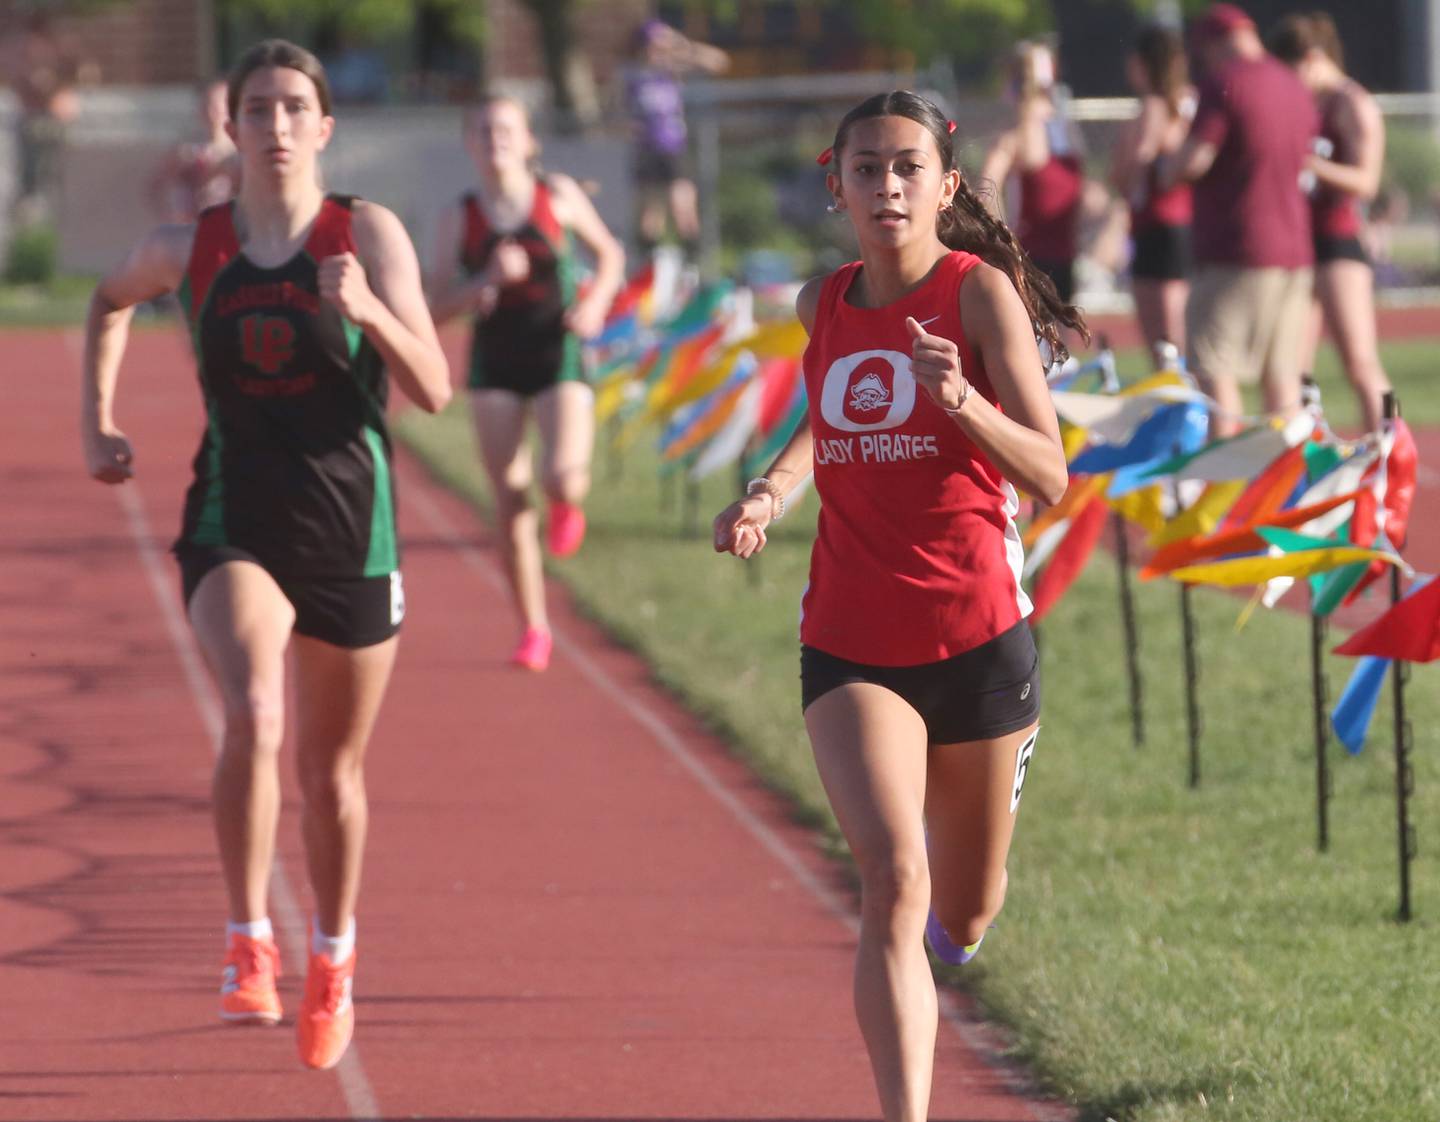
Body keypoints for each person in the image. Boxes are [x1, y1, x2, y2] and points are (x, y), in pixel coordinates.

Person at [79, 39, 451, 1071]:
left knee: (332, 775)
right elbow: (108, 299)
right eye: (258, 108)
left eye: (295, 107)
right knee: (255, 708)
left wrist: (368, 309)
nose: (276, 125)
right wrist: (95, 422)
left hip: (350, 531)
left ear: (324, 127)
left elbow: (433, 388)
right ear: (230, 126)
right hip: (233, 519)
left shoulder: (366, 234)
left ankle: (332, 952)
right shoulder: (189, 244)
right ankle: (249, 939)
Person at [713, 90, 1075, 1122]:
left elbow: (1049, 476)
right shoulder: (821, 304)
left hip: (978, 638)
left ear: (945, 186)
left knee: (962, 911)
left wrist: (962, 402)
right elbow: (827, 417)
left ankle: (952, 932)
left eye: (908, 168)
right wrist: (769, 495)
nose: (888, 187)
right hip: (852, 641)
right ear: (837, 185)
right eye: (866, 168)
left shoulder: (978, 296)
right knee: (892, 877)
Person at [428, 96, 624, 672]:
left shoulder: (557, 195)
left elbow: (609, 255)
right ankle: (532, 627)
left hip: (557, 350)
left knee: (561, 474)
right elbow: (435, 307)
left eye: (506, 129)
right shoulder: (456, 218)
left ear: (528, 139)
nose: (496, 140)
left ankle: (567, 502)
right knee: (511, 501)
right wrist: (484, 280)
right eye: (484, 130)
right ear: (470, 142)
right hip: (495, 360)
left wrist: (595, 306)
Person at [1160, 3, 1318, 436]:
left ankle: (1224, 490)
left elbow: (1194, 161)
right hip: (1294, 251)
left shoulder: (1224, 83)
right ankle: (1281, 488)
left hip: (1236, 249)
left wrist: (1165, 167)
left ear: (1215, 45)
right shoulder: (1293, 84)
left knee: (1215, 374)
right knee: (1282, 377)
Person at [1269, 13, 1392, 432]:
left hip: (1339, 242)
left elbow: (1366, 181)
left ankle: (1391, 453)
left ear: (1314, 58)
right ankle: (1298, 470)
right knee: (1292, 367)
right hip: (1299, 245)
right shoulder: (1306, 104)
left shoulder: (1352, 102)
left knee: (1359, 362)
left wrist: (1310, 164)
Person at [1110, 23, 1193, 365]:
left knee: (1166, 338)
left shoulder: (1159, 108)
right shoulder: (1181, 105)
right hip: (1161, 227)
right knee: (1170, 337)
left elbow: (1129, 171)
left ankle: (1183, 408)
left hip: (1163, 226)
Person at [979, 40, 1084, 304]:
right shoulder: (1065, 131)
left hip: (1043, 252)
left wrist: (1001, 235)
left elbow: (984, 190)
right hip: (1052, 252)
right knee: (1056, 338)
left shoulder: (1019, 135)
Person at [623, 18, 729, 262]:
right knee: (651, 214)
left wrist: (681, 44)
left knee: (682, 206)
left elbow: (718, 62)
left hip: (673, 148)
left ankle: (696, 265)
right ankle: (649, 267)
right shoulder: (634, 75)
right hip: (647, 150)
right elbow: (614, 112)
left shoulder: (670, 70)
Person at [147, 79, 239, 224]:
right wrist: (168, 220)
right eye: (207, 103)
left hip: (228, 233)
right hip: (190, 232)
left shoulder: (240, 151)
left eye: (219, 104)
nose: (212, 110)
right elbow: (155, 187)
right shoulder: (185, 150)